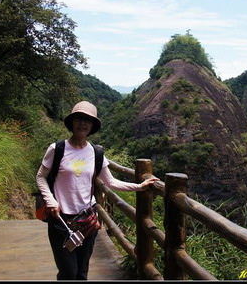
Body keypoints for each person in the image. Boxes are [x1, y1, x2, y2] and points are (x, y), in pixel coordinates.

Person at [36, 101, 159, 280]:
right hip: (60, 219)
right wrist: (51, 201)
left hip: (87, 220)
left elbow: (110, 181)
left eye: (88, 120)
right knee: (68, 272)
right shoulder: (58, 149)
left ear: (92, 126)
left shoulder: (96, 153)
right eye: (79, 119)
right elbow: (41, 176)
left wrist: (139, 186)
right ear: (72, 122)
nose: (82, 124)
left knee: (82, 272)